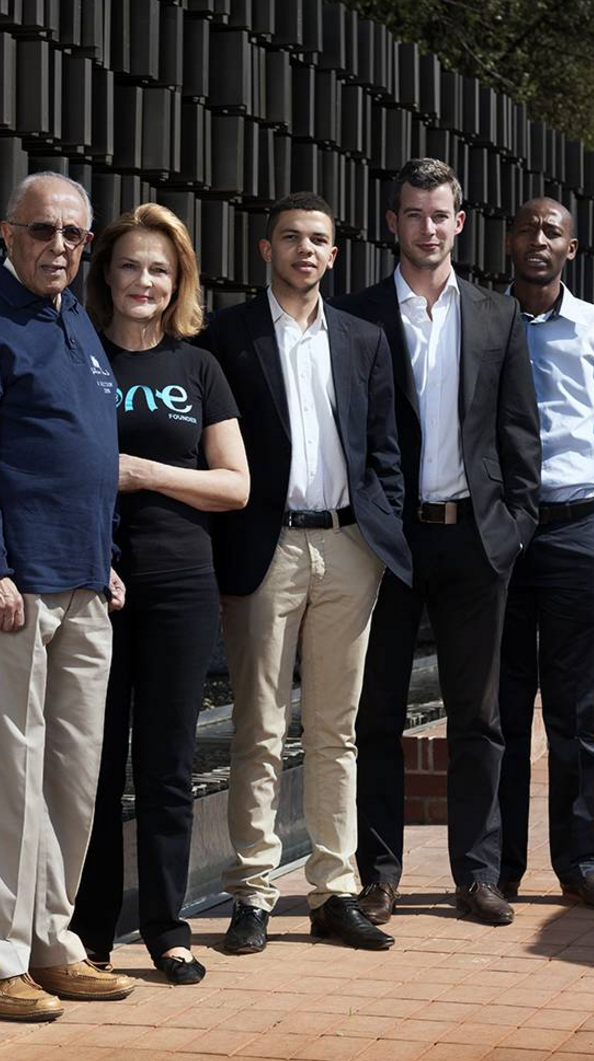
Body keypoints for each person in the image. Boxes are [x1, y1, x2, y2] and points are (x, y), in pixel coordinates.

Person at [0, 172, 135, 1021]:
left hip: (81, 580)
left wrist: (105, 555)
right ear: (6, 235)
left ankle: (53, 941)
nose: (59, 247)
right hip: (4, 586)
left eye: (74, 235)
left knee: (73, 776)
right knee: (8, 776)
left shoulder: (77, 320)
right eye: (42, 230)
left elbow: (90, 454)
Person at [199, 191, 410, 955]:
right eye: (291, 239)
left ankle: (333, 890)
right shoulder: (228, 334)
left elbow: (385, 447)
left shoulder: (362, 338)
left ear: (333, 252)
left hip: (349, 550)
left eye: (318, 240)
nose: (305, 251)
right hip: (268, 549)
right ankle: (253, 892)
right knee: (258, 726)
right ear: (267, 250)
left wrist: (378, 535)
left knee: (336, 729)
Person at [334, 158, 543, 927]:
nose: (428, 227)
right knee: (377, 714)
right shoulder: (354, 318)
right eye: (414, 214)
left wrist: (513, 530)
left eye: (441, 214)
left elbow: (522, 434)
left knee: (479, 718)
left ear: (460, 223)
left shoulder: (497, 315)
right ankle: (379, 877)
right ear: (393, 224)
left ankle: (477, 873)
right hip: (388, 544)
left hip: (475, 543)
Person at [67, 204, 249, 985]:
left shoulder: (198, 367)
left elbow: (235, 485)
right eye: (132, 266)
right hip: (92, 584)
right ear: (106, 275)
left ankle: (167, 929)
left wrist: (143, 473)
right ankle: (90, 932)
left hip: (179, 583)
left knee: (168, 766)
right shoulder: (77, 358)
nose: (145, 281)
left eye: (160, 270)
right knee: (93, 767)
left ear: (179, 284)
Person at [497, 197, 594, 910]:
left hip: (576, 532)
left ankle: (580, 863)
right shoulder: (481, 322)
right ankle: (496, 871)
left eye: (551, 231)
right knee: (497, 709)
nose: (537, 240)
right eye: (526, 229)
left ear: (572, 249)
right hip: (500, 537)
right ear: (507, 242)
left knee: (576, 713)